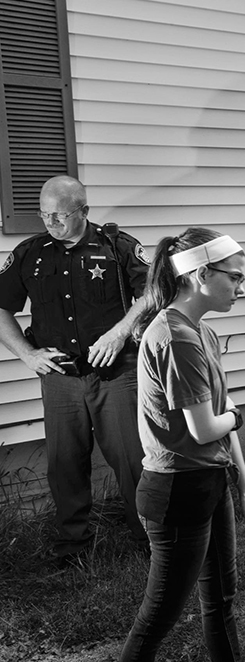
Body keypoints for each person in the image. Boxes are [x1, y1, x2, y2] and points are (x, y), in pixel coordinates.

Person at [119, 227, 245, 662]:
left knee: (221, 601)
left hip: (210, 482)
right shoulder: (174, 336)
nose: (241, 287)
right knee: (157, 619)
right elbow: (206, 428)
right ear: (201, 274)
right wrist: (236, 415)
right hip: (177, 490)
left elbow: (221, 416)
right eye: (234, 277)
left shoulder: (203, 333)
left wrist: (244, 488)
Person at [0, 175, 150, 566]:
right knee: (64, 465)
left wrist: (120, 332)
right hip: (61, 378)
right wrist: (28, 356)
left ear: (83, 211)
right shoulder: (30, 253)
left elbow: (152, 293)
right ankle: (73, 547)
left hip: (116, 374)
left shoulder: (116, 246)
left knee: (132, 460)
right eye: (44, 215)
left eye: (60, 215)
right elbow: (1, 307)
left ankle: (151, 539)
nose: (51, 223)